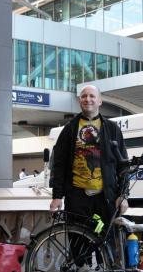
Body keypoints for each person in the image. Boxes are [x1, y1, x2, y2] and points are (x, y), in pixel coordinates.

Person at [49, 85, 128, 222]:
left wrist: (123, 195)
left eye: (92, 96)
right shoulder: (70, 128)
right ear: (80, 101)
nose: (88, 99)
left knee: (105, 242)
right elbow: (59, 165)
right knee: (78, 241)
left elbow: (123, 164)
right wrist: (57, 196)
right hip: (77, 198)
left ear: (100, 101)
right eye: (84, 96)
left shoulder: (112, 128)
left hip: (106, 198)